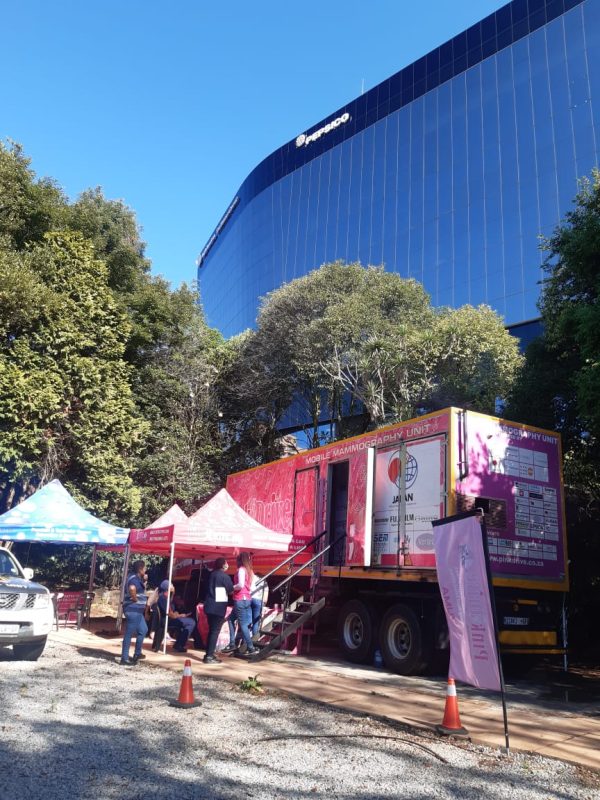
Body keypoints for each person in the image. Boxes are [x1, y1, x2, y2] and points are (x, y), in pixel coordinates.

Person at [202, 557, 233, 664]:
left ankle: (209, 653)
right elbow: (230, 590)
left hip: (209, 605)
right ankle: (209, 656)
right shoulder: (224, 576)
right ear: (223, 565)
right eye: (226, 563)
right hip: (218, 607)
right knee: (214, 631)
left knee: (212, 631)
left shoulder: (211, 574)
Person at [154, 580, 197, 653]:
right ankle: (179, 645)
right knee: (191, 622)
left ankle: (179, 643)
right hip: (167, 620)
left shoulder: (166, 596)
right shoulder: (163, 598)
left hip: (169, 618)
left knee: (188, 622)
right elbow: (170, 614)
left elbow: (171, 610)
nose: (173, 587)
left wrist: (177, 614)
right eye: (171, 585)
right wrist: (180, 615)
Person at [120, 559, 148, 666]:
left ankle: (137, 653)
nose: (145, 570)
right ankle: (124, 658)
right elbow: (132, 588)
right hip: (133, 609)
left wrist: (144, 581)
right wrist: (135, 599)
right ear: (140, 569)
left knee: (143, 629)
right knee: (129, 633)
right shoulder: (134, 579)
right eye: (144, 568)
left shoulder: (136, 578)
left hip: (137, 610)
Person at [232, 552, 258, 656]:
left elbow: (240, 585)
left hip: (240, 598)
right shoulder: (249, 571)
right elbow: (249, 586)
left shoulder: (241, 570)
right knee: (234, 620)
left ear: (240, 560)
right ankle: (233, 643)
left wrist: (231, 587)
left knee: (243, 624)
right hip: (247, 598)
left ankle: (250, 648)